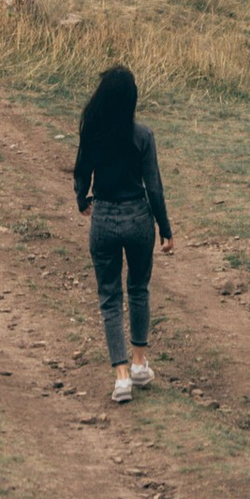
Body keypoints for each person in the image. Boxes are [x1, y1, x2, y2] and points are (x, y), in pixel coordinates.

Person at [73, 62, 172, 405]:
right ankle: (140, 363)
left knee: (110, 297)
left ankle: (121, 378)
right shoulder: (142, 135)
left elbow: (81, 171)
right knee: (139, 289)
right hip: (138, 217)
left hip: (104, 217)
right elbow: (154, 187)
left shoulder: (93, 132)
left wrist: (81, 198)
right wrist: (166, 229)